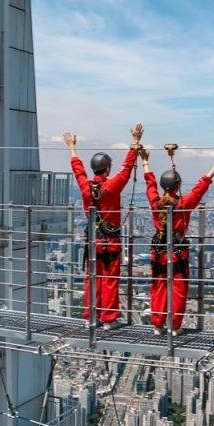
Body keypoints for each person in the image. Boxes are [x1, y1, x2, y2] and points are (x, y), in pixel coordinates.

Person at [143, 144, 214, 332]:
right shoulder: (183, 203)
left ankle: (158, 325)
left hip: (158, 252)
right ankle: (175, 327)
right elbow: (201, 186)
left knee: (158, 287)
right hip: (177, 253)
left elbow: (150, 184)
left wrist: (145, 161)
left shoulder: (155, 202)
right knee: (178, 289)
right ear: (178, 186)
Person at [65, 125, 143, 325]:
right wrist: (135, 143)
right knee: (109, 280)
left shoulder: (86, 187)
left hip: (92, 240)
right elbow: (126, 169)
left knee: (92, 278)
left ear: (94, 168)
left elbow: (78, 171)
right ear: (107, 168)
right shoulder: (111, 186)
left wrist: (72, 148)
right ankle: (108, 319)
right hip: (110, 241)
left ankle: (91, 316)